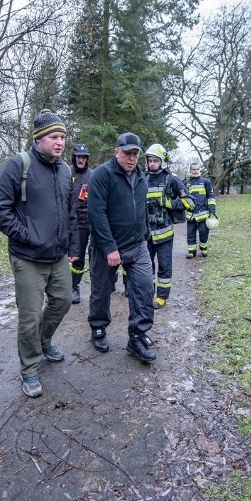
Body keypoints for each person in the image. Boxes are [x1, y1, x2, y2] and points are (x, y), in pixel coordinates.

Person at [0, 110, 78, 398]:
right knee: (29, 316)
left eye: (63, 137)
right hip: (27, 257)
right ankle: (29, 370)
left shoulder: (65, 171)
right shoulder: (18, 165)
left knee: (63, 302)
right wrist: (26, 235)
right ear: (38, 138)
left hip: (58, 256)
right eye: (54, 136)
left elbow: (70, 213)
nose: (60, 142)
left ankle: (44, 340)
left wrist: (72, 245)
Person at [87, 132, 156, 364]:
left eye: (136, 153)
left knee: (145, 288)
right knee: (102, 289)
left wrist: (145, 235)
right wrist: (109, 248)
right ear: (116, 151)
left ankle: (136, 336)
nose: (132, 158)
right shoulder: (101, 175)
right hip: (106, 247)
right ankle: (98, 327)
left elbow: (142, 209)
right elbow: (96, 214)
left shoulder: (141, 176)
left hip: (137, 245)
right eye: (127, 153)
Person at [144, 143, 194, 309]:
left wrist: (168, 203)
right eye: (150, 160)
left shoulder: (171, 179)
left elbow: (189, 202)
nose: (152, 164)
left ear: (162, 162)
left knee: (164, 266)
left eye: (155, 161)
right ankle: (148, 294)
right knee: (146, 266)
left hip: (164, 234)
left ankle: (162, 297)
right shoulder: (143, 178)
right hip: (147, 234)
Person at [69, 143, 93, 305]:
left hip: (85, 222)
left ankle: (75, 287)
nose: (81, 160)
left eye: (84, 157)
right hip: (66, 221)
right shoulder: (66, 172)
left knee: (82, 255)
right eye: (78, 156)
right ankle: (64, 287)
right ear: (74, 157)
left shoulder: (92, 175)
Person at [184, 162, 217, 258]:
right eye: (193, 169)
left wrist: (212, 211)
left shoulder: (206, 182)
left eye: (197, 169)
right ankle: (191, 251)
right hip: (191, 214)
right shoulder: (186, 183)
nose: (195, 171)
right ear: (190, 171)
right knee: (190, 233)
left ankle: (203, 249)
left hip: (203, 214)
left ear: (200, 170)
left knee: (204, 232)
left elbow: (210, 197)